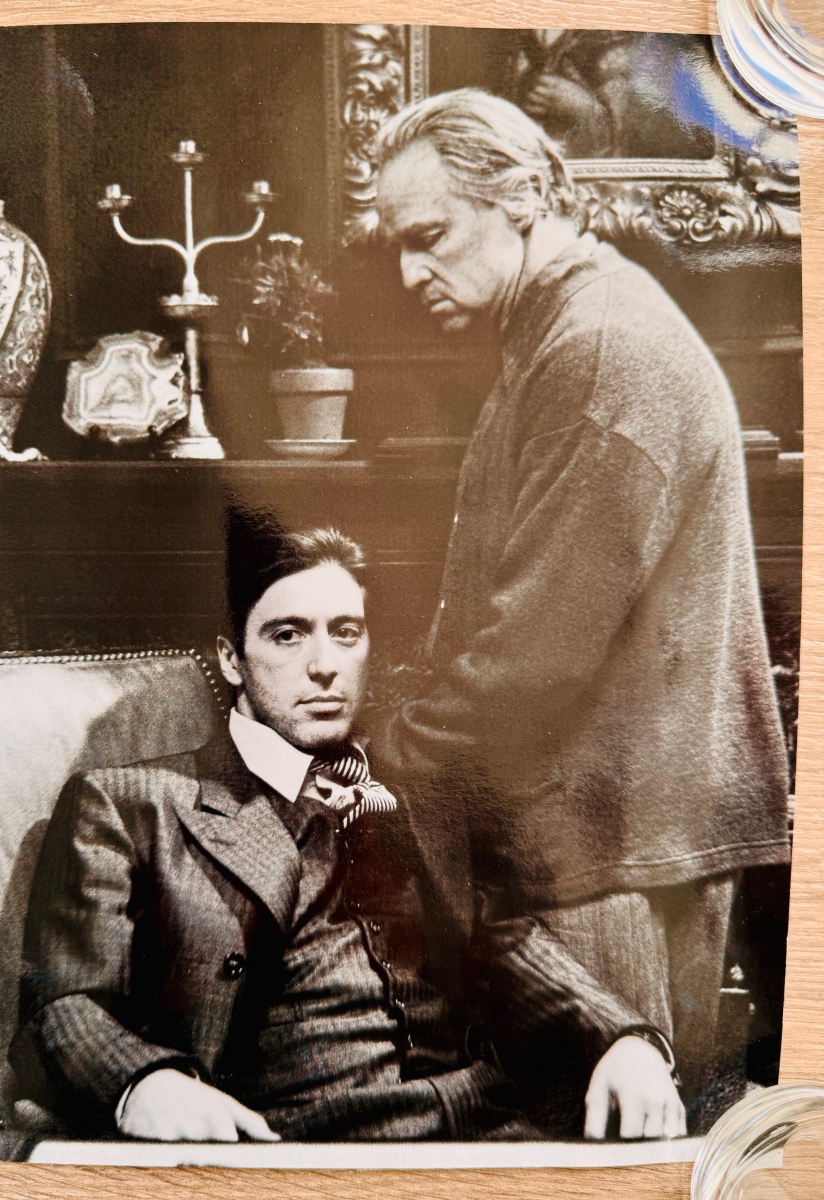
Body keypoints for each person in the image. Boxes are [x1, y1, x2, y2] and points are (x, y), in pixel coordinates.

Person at [369, 87, 791, 1121]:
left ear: (519, 196)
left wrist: (388, 751)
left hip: (614, 853)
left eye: (429, 236)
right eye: (398, 246)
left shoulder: (598, 345)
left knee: (605, 1151)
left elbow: (535, 656)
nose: (409, 272)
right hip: (598, 834)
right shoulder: (564, 330)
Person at [12, 524, 684, 1143]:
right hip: (295, 1148)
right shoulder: (131, 804)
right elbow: (64, 1004)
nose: (324, 665)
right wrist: (144, 1084)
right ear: (231, 658)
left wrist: (625, 1039)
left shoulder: (414, 792)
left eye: (346, 633)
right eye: (288, 636)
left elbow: (498, 940)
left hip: (485, 1130)